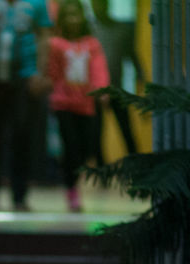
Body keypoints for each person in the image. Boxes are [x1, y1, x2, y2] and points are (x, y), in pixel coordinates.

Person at [0, 0, 54, 212]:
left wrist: (40, 72)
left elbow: (44, 36)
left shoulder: (37, 3)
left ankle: (19, 196)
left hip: (24, 80)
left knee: (22, 135)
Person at [47, 0, 109, 212]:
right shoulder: (56, 44)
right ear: (62, 19)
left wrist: (102, 91)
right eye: (69, 16)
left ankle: (73, 178)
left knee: (87, 148)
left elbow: (99, 70)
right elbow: (52, 74)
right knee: (70, 146)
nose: (73, 20)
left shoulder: (92, 44)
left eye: (76, 15)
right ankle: (71, 189)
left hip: (86, 104)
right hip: (63, 104)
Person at [89, 0, 142, 163]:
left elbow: (131, 54)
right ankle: (101, 170)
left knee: (126, 130)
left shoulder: (122, 30)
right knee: (96, 132)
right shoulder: (89, 30)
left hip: (116, 88)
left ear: (106, 5)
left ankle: (137, 166)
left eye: (100, 4)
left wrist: (140, 76)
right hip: (95, 91)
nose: (97, 7)